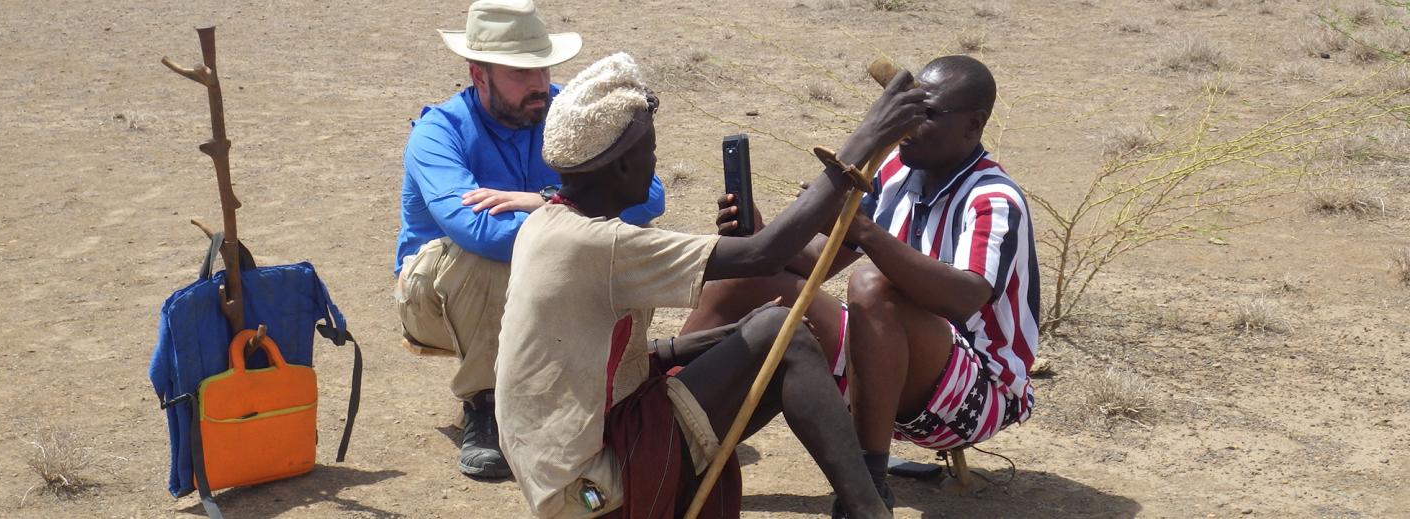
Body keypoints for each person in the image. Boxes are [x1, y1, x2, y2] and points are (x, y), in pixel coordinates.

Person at [495, 52, 927, 518]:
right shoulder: (600, 245)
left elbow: (613, 355)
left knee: (773, 331)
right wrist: (868, 135)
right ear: (620, 169)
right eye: (650, 151)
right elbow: (766, 254)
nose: (656, 160)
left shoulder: (547, 224)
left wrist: (726, 340)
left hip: (560, 470)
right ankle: (870, 510)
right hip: (591, 487)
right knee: (787, 337)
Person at [682, 55, 1040, 515]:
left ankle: (868, 489)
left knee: (873, 283)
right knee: (748, 278)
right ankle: (665, 422)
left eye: (926, 114)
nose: (908, 125)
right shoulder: (896, 172)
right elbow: (817, 262)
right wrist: (760, 235)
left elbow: (963, 298)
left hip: (979, 393)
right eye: (907, 109)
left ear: (973, 125)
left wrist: (864, 232)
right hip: (887, 366)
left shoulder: (994, 198)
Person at [393, 0, 665, 479]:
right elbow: (480, 231)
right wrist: (572, 213)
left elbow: (648, 195)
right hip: (437, 300)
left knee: (622, 236)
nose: (538, 84)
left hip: (533, 282)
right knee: (492, 256)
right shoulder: (439, 132)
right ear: (479, 76)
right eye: (520, 73)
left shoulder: (567, 111)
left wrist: (539, 200)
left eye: (541, 68)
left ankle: (613, 392)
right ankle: (485, 405)